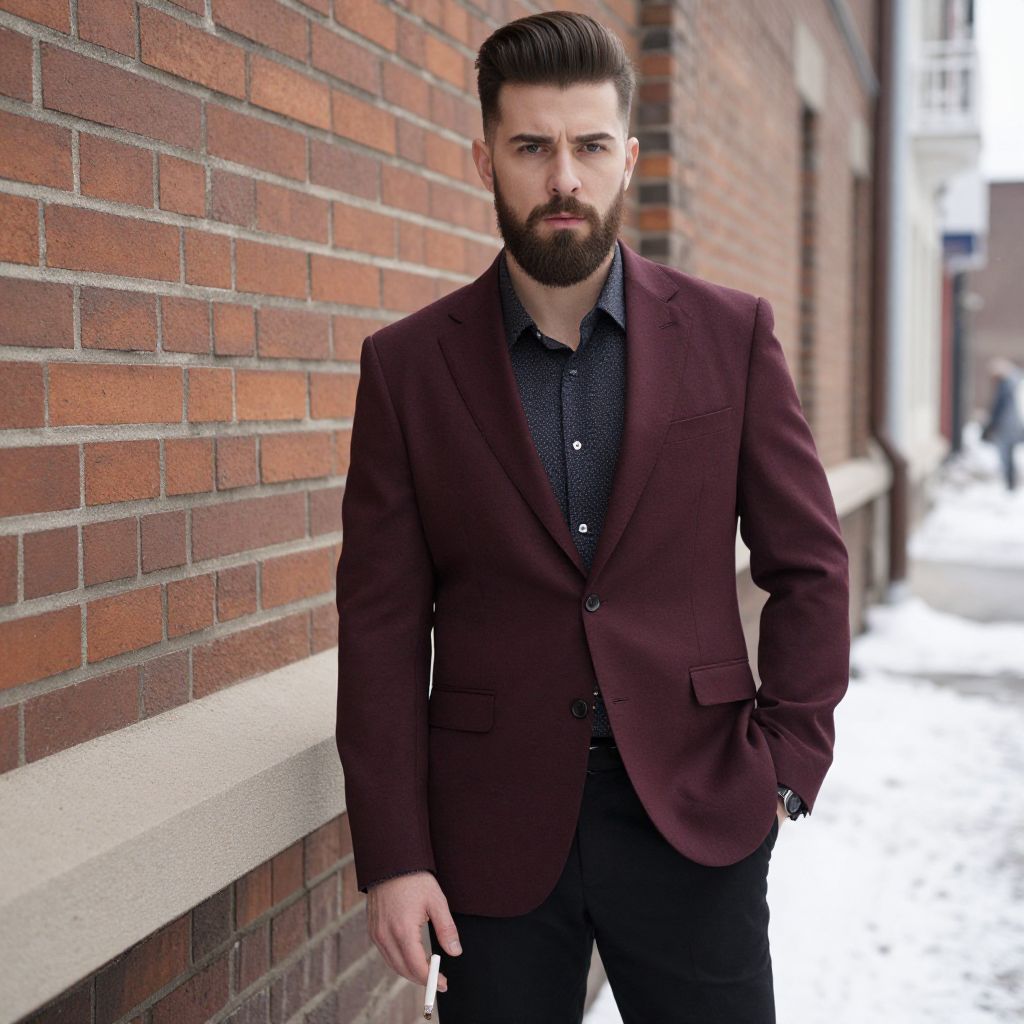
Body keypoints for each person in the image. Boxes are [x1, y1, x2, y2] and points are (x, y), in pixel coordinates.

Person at [334, 11, 850, 1023]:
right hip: (489, 832)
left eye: (588, 146)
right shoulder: (405, 369)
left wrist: (786, 765)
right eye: (531, 147)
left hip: (697, 811)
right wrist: (393, 855)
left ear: (627, 158)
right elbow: (382, 625)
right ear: (484, 156)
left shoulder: (730, 335)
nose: (561, 178)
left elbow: (810, 563)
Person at [980, 357, 1024, 491]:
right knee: (1010, 454)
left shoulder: (1006, 385)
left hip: (1007, 425)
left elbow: (999, 408)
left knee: (1006, 454)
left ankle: (1010, 484)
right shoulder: (1017, 381)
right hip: (1016, 424)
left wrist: (991, 425)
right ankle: (1011, 483)